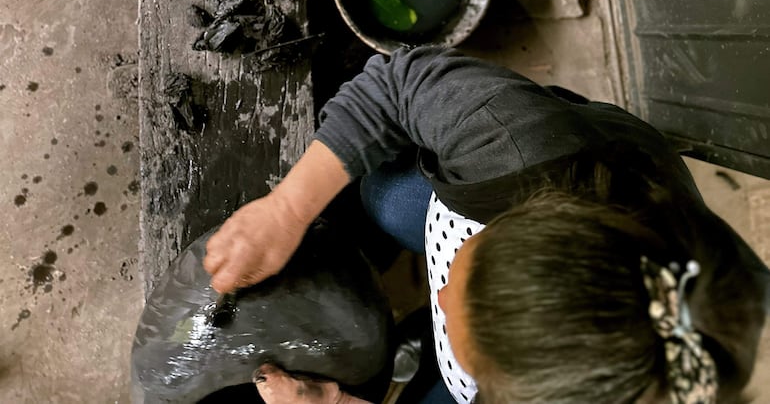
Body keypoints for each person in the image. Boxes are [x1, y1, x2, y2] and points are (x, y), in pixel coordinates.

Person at [204, 47, 769, 404]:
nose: (439, 293)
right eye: (467, 278)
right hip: (546, 164)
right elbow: (393, 89)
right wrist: (287, 209)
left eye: (469, 344)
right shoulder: (518, 144)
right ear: (542, 215)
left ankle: (418, 358)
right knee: (387, 193)